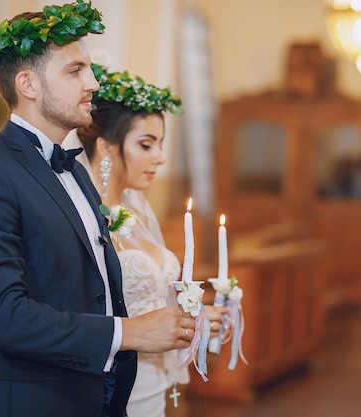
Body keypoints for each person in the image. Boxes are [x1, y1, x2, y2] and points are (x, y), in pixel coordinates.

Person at [0, 3, 196, 417]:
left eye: (89, 70)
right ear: (28, 84)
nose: (93, 83)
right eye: (75, 71)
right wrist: (128, 333)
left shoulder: (76, 172)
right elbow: (2, 318)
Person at [76, 64, 229, 417]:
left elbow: (159, 300)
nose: (159, 157)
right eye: (147, 144)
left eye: (160, 144)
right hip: (113, 379)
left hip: (155, 381)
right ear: (106, 146)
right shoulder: (84, 215)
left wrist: (197, 317)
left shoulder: (139, 210)